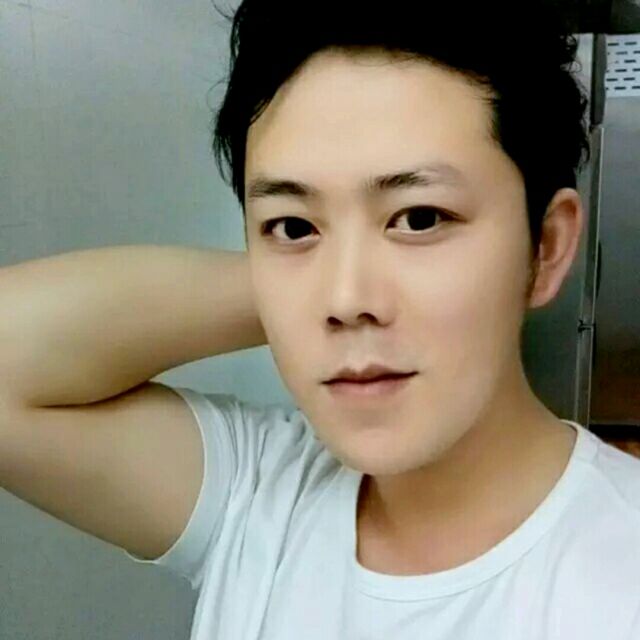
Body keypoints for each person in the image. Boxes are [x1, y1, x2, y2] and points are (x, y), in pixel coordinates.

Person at [1, 0, 639, 638]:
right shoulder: (258, 495)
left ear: (547, 246)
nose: (345, 298)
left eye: (419, 218)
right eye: (293, 226)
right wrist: (292, 294)